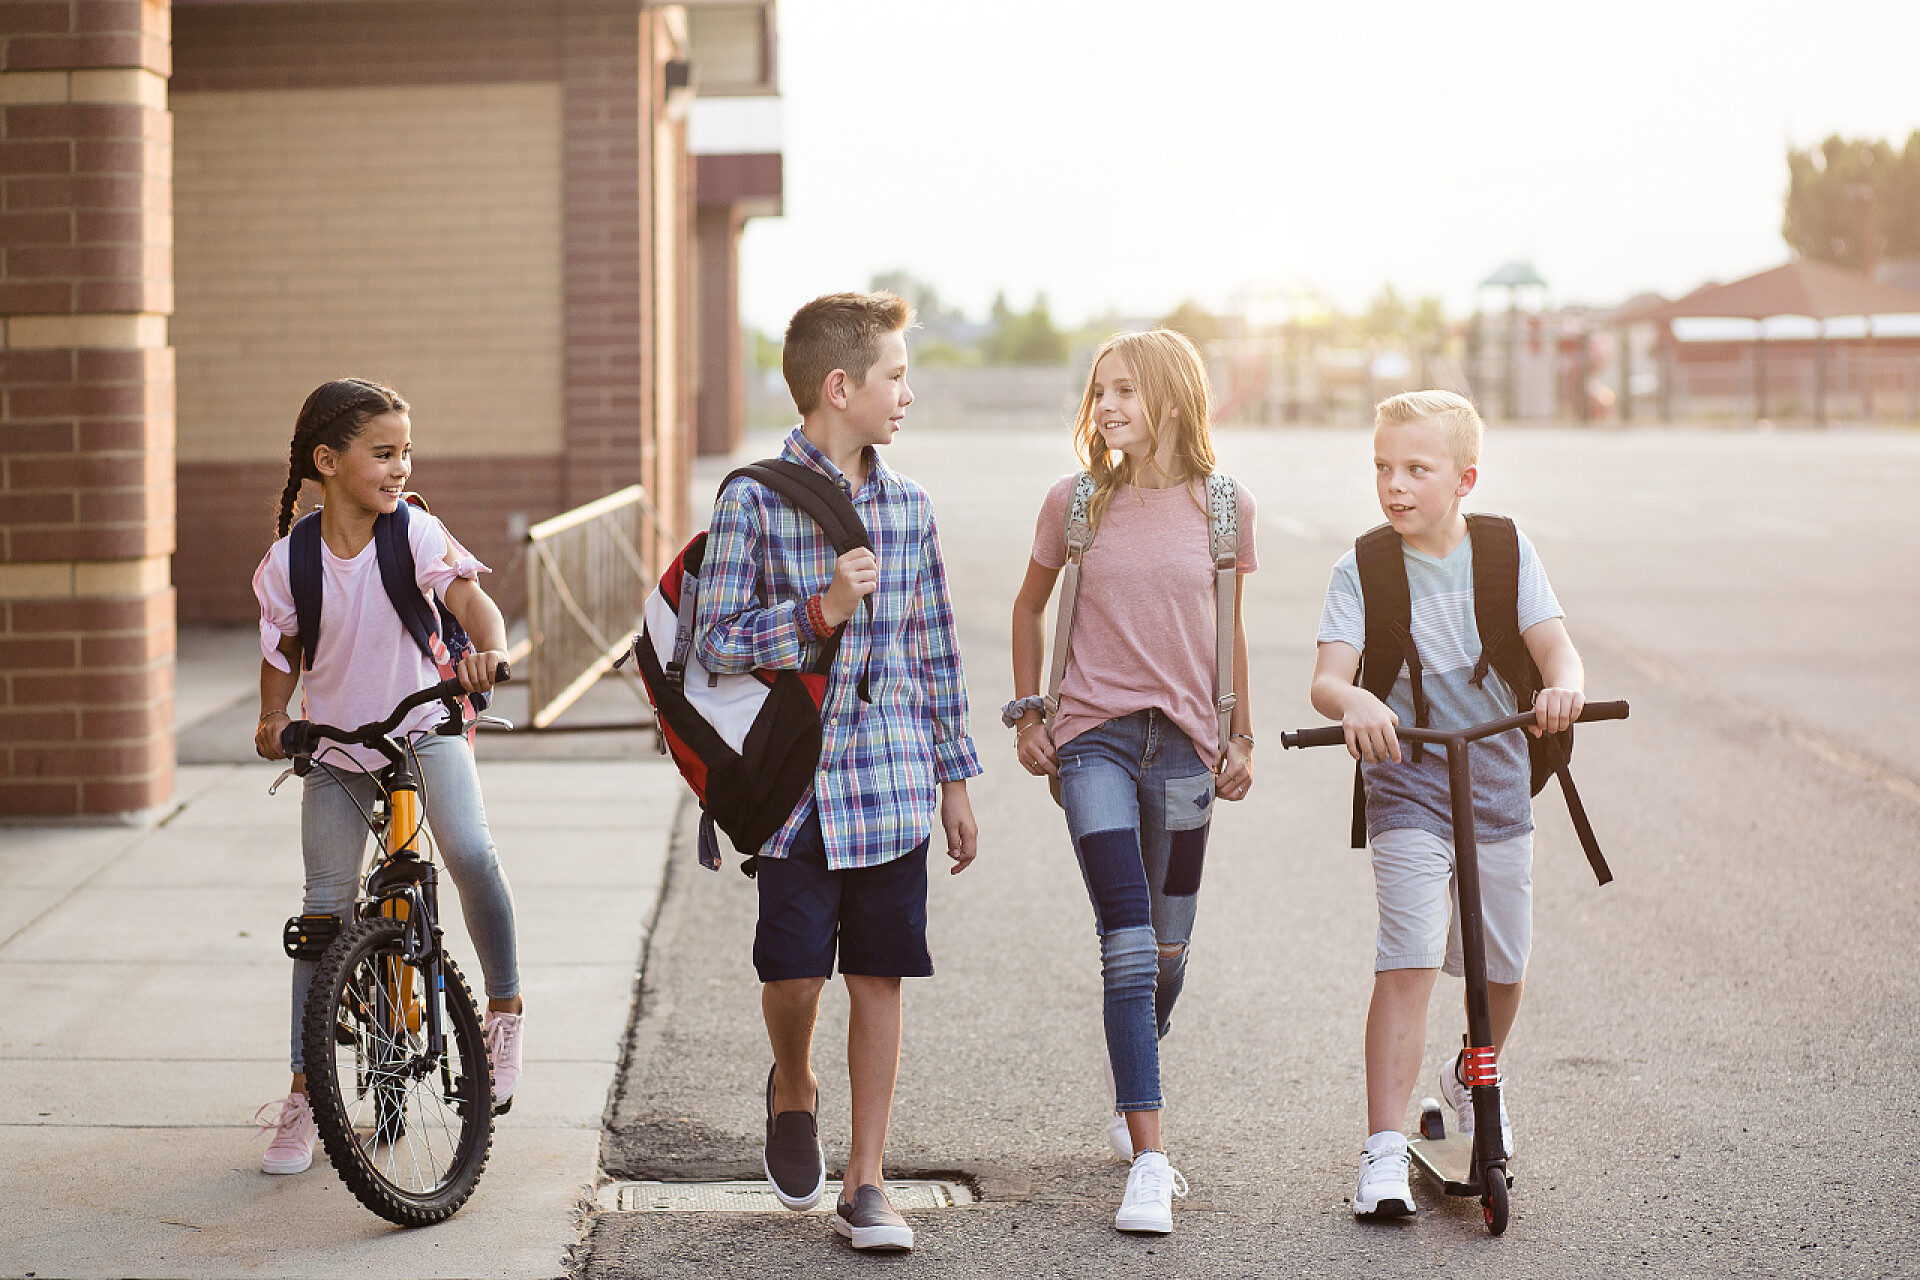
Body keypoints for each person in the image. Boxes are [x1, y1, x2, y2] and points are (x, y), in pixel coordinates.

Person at [694, 291, 981, 1253]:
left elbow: (936, 647)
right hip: (798, 794)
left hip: (894, 781)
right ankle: (794, 1083)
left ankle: (869, 1178)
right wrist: (816, 612)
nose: (908, 392)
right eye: (895, 376)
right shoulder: (755, 499)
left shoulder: (910, 507)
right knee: (793, 974)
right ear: (839, 386)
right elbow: (716, 642)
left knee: (878, 975)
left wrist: (955, 778)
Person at [1308, 390, 1585, 1217]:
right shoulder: (1361, 567)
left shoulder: (1504, 551)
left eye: (1415, 470)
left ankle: (1471, 1072)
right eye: (1383, 468)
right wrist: (1352, 701)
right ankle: (1384, 1149)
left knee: (1504, 970)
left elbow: (1557, 650)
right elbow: (1328, 676)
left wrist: (1565, 691)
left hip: (1497, 776)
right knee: (1411, 959)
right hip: (1407, 778)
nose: (1394, 486)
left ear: (1463, 478)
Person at [1007, 329, 1257, 1235]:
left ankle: (1130, 1079)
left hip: (1188, 747)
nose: (1107, 406)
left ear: (1174, 400)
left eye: (1126, 391)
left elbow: (1229, 627)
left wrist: (1243, 734)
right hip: (1094, 743)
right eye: (1099, 390)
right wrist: (1030, 712)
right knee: (1125, 936)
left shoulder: (1225, 508)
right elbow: (1029, 606)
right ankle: (1151, 1158)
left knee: (1168, 950)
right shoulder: (1075, 503)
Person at [249, 378, 522, 1176]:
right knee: (323, 916)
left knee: (468, 852)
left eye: (407, 451)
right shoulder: (289, 560)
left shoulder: (416, 535)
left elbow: (477, 610)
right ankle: (305, 1091)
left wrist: (488, 657)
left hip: (426, 725)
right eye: (383, 452)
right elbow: (281, 657)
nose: (401, 466)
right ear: (327, 462)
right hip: (337, 747)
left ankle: (503, 1012)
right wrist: (273, 721)